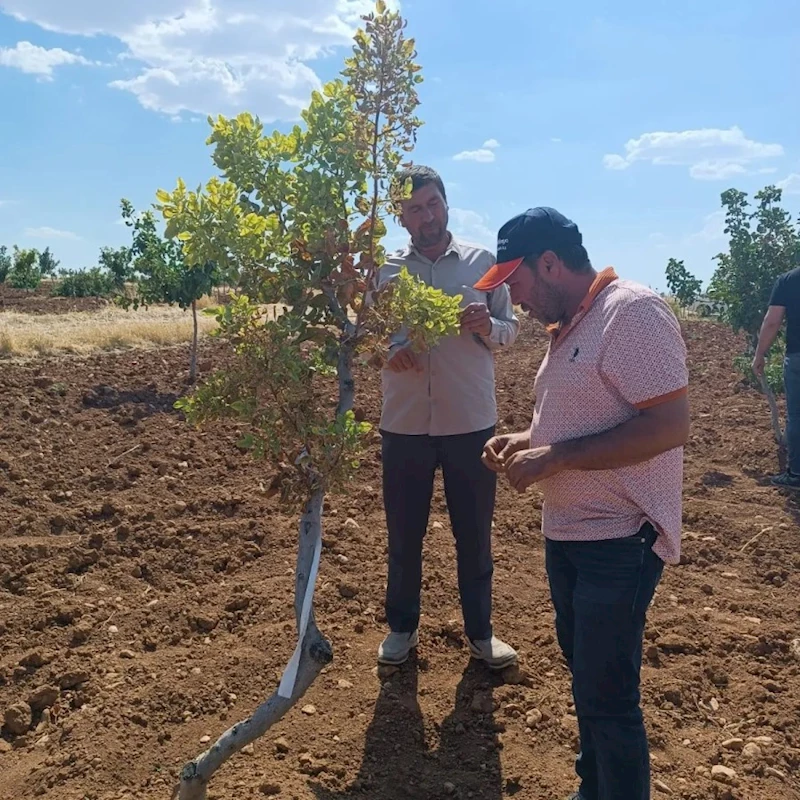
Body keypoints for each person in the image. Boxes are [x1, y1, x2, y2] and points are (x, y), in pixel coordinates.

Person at [475, 207, 689, 800]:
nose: (514, 300)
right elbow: (579, 419)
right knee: (590, 682)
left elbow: (669, 425)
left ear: (550, 263)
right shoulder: (572, 325)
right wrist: (526, 441)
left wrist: (557, 458)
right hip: (571, 536)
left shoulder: (632, 314)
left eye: (516, 283)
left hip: (619, 539)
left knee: (609, 697)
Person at [375, 165, 520, 670]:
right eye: (415, 209)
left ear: (446, 204)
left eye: (433, 203)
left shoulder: (483, 263)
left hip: (469, 423)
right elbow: (363, 338)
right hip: (405, 425)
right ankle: (401, 630)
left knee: (474, 536)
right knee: (403, 536)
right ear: (401, 217)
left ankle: (481, 634)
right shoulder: (385, 272)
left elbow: (511, 327)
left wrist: (488, 326)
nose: (427, 216)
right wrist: (388, 351)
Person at [752, 266, 800, 488]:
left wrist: (760, 353)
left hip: (797, 356)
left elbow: (772, 321)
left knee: (797, 416)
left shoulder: (788, 280)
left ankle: (796, 474)